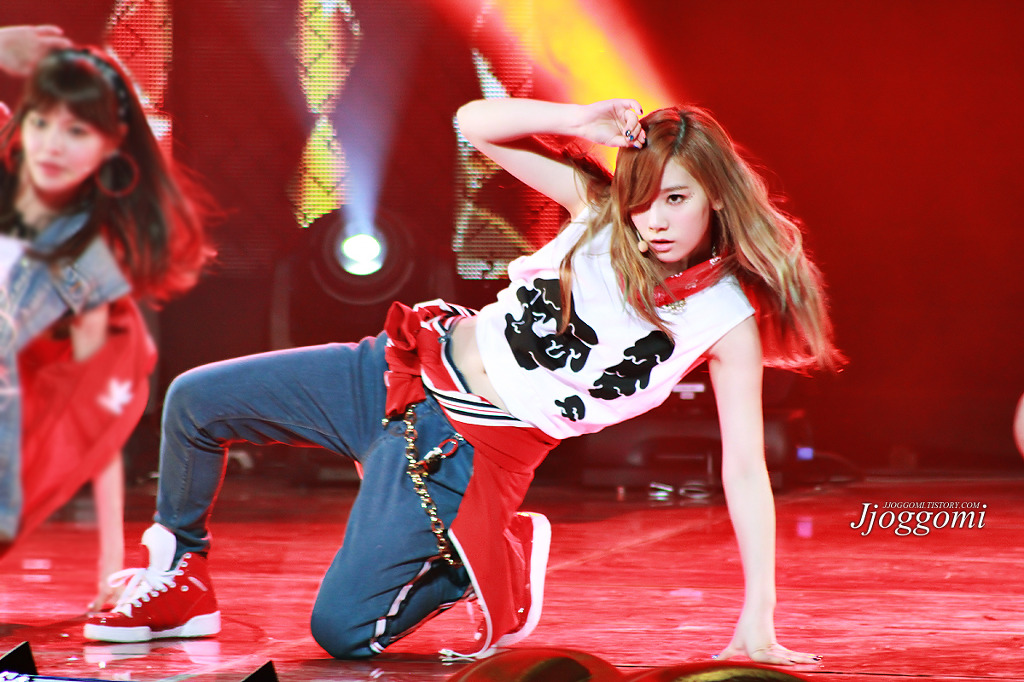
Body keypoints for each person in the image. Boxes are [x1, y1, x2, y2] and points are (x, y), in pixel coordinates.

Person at [84, 97, 841, 665]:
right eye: (643, 199)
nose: (655, 221)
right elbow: (473, 122)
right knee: (194, 401)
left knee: (341, 634)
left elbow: (745, 469)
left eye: (676, 198)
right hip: (399, 367)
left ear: (716, 194)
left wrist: (759, 616)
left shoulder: (724, 319)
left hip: (469, 451)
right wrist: (579, 119)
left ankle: (486, 557)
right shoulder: (600, 213)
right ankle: (180, 577)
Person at [0, 44, 214, 611]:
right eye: (42, 122)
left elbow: (99, 422)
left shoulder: (89, 260)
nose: (52, 144)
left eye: (77, 131)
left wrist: (111, 567)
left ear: (111, 145)